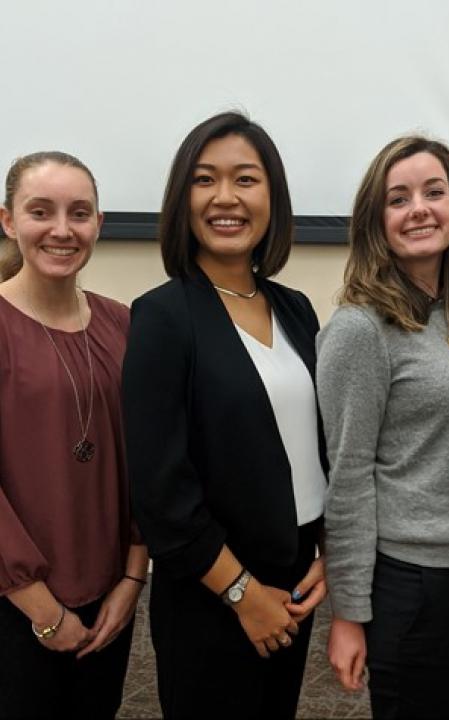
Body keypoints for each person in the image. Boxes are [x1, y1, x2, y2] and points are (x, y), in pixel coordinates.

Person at [122, 112, 328, 718]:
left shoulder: (296, 310)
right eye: (205, 180)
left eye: (246, 179)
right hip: (211, 588)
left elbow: (312, 443)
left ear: (272, 197)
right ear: (182, 199)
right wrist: (241, 594)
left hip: (293, 577)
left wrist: (327, 554)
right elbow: (161, 488)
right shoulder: (162, 317)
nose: (226, 198)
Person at [317, 136, 449, 718]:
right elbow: (347, 477)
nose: (419, 208)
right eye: (398, 198)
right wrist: (349, 615)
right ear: (377, 221)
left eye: (434, 192)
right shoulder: (360, 329)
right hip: (412, 585)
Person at [0, 151, 149, 718]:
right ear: (9, 221)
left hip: (111, 598)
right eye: (42, 211)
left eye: (79, 213)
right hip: (15, 604)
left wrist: (134, 577)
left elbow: (147, 459)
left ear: (99, 225)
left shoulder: (125, 325)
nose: (62, 230)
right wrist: (41, 609)